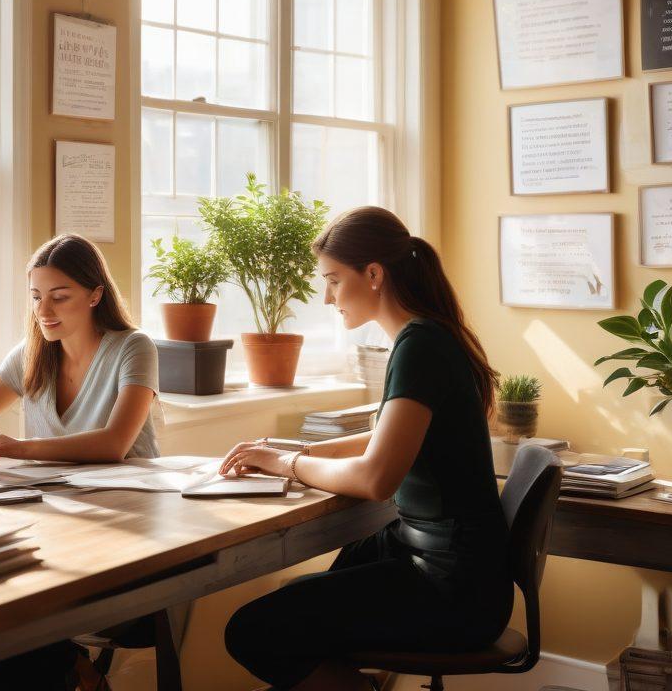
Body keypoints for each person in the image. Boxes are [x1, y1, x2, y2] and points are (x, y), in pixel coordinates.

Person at [219, 207, 511, 691]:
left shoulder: (420, 345)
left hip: (452, 584)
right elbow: (385, 438)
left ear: (373, 274)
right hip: (449, 562)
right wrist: (289, 450)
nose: (327, 296)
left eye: (333, 280)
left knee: (254, 630)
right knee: (300, 606)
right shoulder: (424, 337)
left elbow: (377, 478)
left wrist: (287, 464)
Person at [0, 233, 159, 691]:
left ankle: (70, 670)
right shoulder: (31, 354)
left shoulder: (133, 347)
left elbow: (114, 443)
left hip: (125, 529)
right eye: (36, 297)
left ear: (95, 295)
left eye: (59, 297)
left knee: (4, 616)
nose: (44, 311)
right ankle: (72, 670)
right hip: (52, 524)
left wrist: (20, 448)